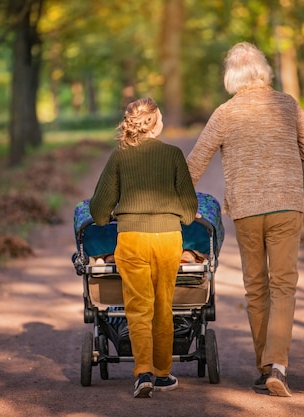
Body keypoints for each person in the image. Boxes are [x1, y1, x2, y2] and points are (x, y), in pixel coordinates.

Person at [186, 42, 304, 397]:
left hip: (247, 210)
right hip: (286, 206)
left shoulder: (224, 112)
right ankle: (278, 365)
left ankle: (265, 369)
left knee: (256, 288)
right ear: (264, 70)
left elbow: (195, 164)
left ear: (232, 76)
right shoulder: (287, 104)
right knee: (283, 287)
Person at [89, 97, 198, 398]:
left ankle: (143, 374)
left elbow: (98, 213)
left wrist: (116, 210)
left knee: (138, 309)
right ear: (154, 123)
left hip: (132, 239)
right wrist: (172, 208)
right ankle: (163, 374)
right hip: (167, 239)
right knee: (163, 307)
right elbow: (189, 212)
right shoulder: (174, 155)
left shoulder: (119, 157)